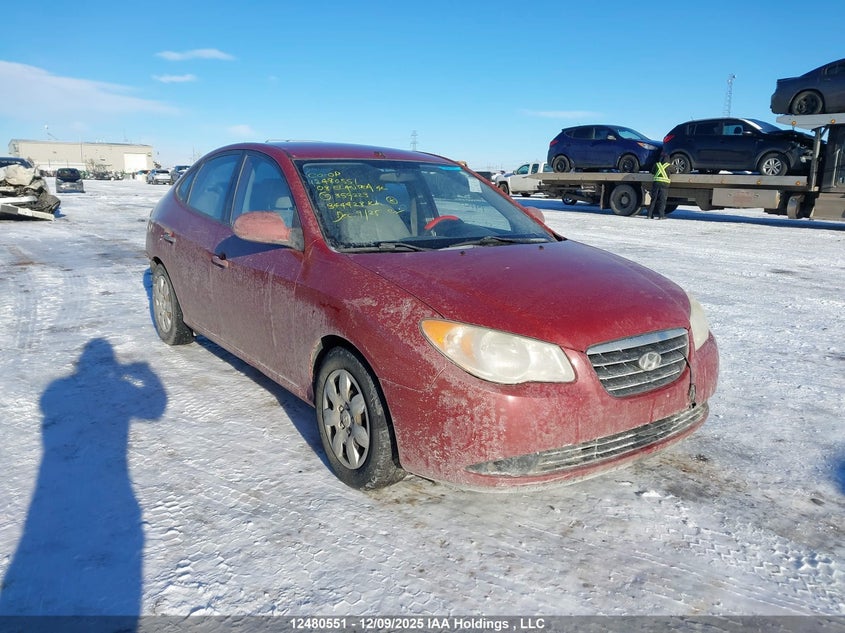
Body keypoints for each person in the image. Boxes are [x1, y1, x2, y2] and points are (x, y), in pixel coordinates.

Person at [647, 153, 674, 219]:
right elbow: (674, 171)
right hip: (664, 185)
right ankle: (661, 216)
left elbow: (652, 172)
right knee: (662, 200)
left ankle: (649, 215)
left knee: (653, 199)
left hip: (656, 184)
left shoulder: (657, 165)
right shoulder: (669, 166)